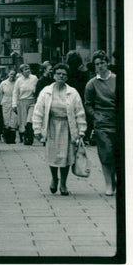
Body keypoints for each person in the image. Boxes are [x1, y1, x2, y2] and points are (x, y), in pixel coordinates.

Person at [32, 63, 87, 196]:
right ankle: (54, 178)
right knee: (53, 155)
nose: (61, 76)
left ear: (67, 77)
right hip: (51, 126)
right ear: (54, 75)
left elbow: (79, 112)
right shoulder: (46, 91)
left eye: (64, 74)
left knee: (66, 156)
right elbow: (39, 110)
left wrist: (81, 130)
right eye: (58, 74)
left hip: (67, 127)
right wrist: (37, 129)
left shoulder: (72, 92)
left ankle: (63, 183)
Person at [84, 50, 118, 196]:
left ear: (107, 63)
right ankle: (109, 184)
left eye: (102, 63)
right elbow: (88, 104)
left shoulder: (117, 79)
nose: (100, 66)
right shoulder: (91, 84)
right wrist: (95, 116)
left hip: (117, 121)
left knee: (118, 154)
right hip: (102, 123)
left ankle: (116, 179)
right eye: (97, 64)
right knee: (106, 154)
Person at [65, 51, 91, 143]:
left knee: (72, 114)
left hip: (71, 95)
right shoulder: (84, 73)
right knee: (82, 114)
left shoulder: (68, 73)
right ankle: (84, 134)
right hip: (82, 95)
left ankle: (73, 134)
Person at [12, 63, 38, 143]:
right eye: (25, 69)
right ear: (22, 72)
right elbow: (15, 92)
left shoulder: (34, 78)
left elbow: (38, 88)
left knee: (29, 120)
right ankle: (24, 137)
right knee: (23, 122)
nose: (28, 71)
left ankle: (30, 138)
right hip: (22, 102)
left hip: (32, 101)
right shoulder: (19, 80)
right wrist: (14, 104)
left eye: (28, 69)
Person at [0, 70, 18, 143]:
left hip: (14, 102)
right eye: (11, 74)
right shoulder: (3, 83)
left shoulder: (17, 83)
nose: (12, 76)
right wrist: (0, 103)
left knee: (14, 120)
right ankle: (6, 137)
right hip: (6, 102)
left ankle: (12, 138)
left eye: (14, 74)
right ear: (8, 74)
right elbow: (0, 93)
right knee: (6, 120)